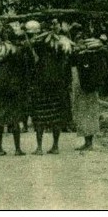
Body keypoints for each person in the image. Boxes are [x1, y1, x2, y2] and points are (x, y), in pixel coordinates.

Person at [25, 20, 71, 155]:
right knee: (55, 116)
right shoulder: (58, 44)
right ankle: (55, 146)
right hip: (56, 85)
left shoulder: (36, 45)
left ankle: (39, 147)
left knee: (39, 117)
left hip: (40, 86)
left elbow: (30, 66)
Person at [0, 25, 31, 155]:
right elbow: (24, 69)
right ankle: (17, 149)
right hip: (14, 88)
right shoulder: (18, 50)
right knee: (15, 118)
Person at [70, 24, 106, 151]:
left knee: (87, 114)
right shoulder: (84, 55)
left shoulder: (86, 55)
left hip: (86, 89)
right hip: (84, 88)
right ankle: (87, 141)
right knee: (85, 114)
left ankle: (89, 143)